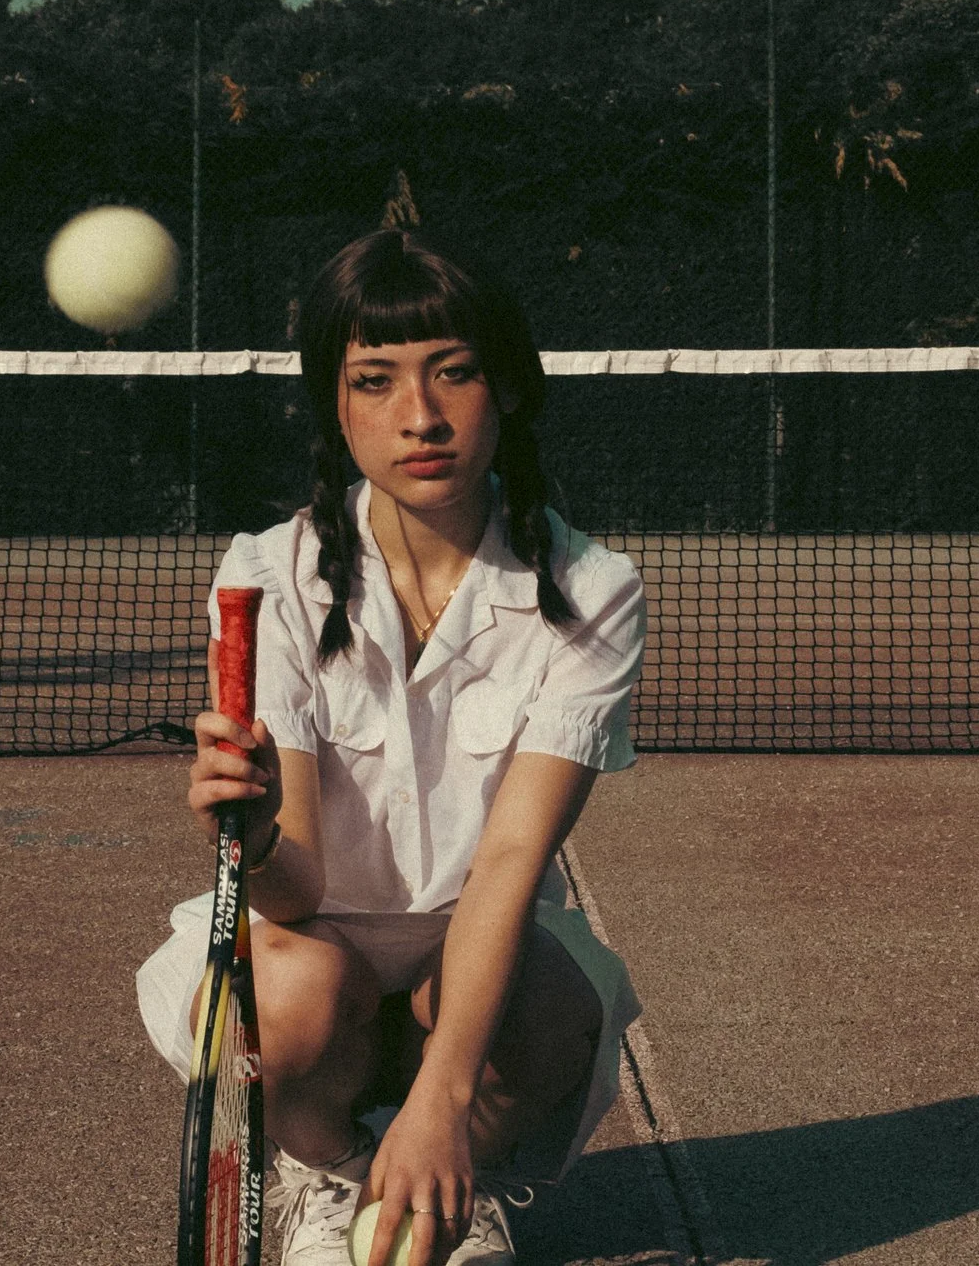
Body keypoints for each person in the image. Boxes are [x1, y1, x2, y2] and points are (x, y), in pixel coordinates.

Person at [136, 226, 647, 1265]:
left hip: (473, 948)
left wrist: (446, 1106)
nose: (418, 417)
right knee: (284, 1002)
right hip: (307, 945)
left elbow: (509, 864)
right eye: (374, 380)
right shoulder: (264, 581)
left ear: (504, 385)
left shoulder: (595, 593)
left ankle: (456, 1174)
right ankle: (324, 1173)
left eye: (451, 373)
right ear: (334, 401)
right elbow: (294, 890)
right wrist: (260, 831)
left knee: (554, 1003)